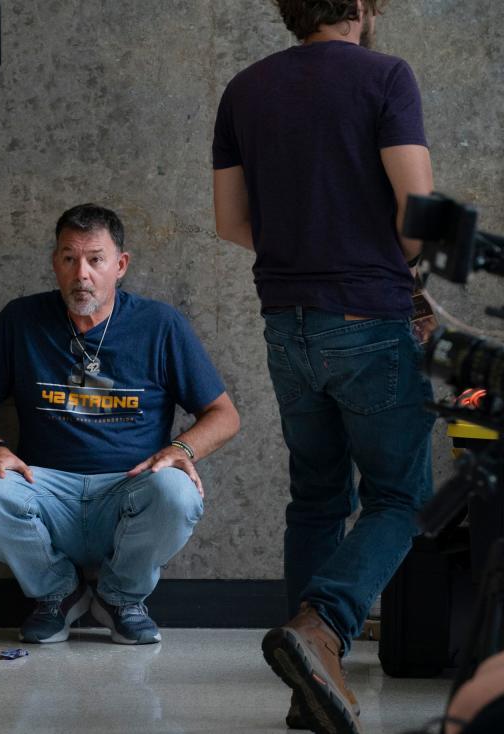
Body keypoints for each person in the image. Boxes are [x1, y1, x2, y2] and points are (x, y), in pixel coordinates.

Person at [212, 1, 436, 732]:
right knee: (402, 497)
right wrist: (401, 281)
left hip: (287, 323)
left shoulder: (246, 87)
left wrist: (304, 258)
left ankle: (310, 685)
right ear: (365, 6)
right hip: (368, 317)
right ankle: (323, 628)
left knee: (315, 498)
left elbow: (229, 221)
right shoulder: (386, 77)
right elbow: (418, 215)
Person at [0, 203, 240, 646]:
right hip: (46, 494)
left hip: (128, 493)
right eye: (69, 258)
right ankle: (57, 595)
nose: (81, 273)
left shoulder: (159, 325)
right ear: (55, 263)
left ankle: (120, 599)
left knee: (177, 490)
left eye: (95, 259)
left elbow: (225, 415)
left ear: (120, 265)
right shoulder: (21, 320)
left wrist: (181, 450)